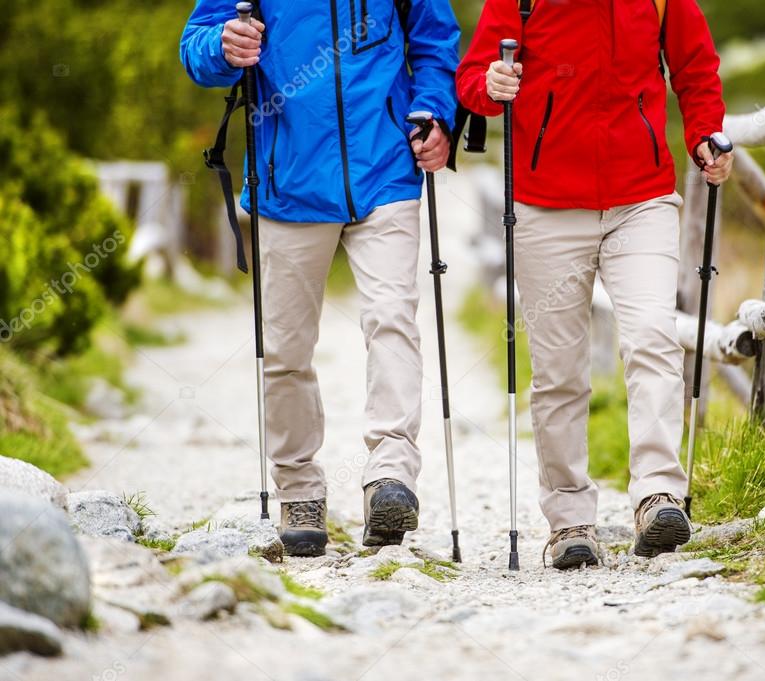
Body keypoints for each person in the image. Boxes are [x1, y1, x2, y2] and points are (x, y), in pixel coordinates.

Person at [456, 0, 733, 569]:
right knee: (559, 371)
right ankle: (569, 522)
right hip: (546, 206)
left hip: (642, 197)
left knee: (653, 336)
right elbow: (472, 81)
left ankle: (658, 493)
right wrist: (492, 84)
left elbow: (696, 67)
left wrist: (705, 131)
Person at [180, 0, 460, 556]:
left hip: (385, 170)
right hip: (289, 179)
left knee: (391, 318)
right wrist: (222, 47)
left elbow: (435, 43)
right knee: (285, 348)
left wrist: (434, 113)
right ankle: (299, 488)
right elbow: (198, 44)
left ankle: (391, 475)